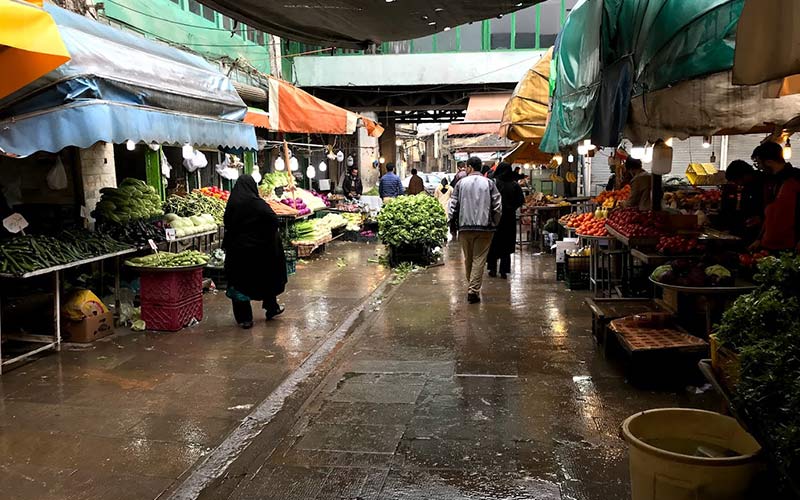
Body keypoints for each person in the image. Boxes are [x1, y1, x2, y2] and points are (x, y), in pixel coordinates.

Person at [222, 175, 287, 329]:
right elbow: (274, 220)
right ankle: (271, 308)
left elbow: (227, 223)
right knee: (266, 277)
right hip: (260, 251)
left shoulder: (232, 203)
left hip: (238, 252)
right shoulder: (257, 204)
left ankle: (245, 319)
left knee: (239, 283)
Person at [449, 156, 502, 304]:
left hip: (465, 227)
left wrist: (450, 223)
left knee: (469, 259)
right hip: (485, 228)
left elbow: (452, 204)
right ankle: (473, 290)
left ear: (470, 167)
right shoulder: (489, 183)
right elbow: (498, 206)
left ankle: (472, 288)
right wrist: (495, 223)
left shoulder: (460, 183)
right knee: (479, 259)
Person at [750, 141, 800, 251]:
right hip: (767, 244)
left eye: (759, 164)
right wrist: (759, 239)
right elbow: (769, 213)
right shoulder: (768, 181)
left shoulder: (796, 179)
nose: (759, 168)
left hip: (791, 246)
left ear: (769, 162)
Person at [487, 163, 525, 279]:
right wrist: (512, 207)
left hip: (495, 218)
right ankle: (504, 270)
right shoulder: (514, 185)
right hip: (509, 218)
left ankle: (492, 268)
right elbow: (520, 200)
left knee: (493, 243)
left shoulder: (493, 184)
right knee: (506, 244)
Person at [722, 160, 766, 242]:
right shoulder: (746, 185)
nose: (738, 184)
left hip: (761, 231)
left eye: (736, 180)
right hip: (745, 227)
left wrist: (761, 217)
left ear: (745, 175)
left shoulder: (763, 183)